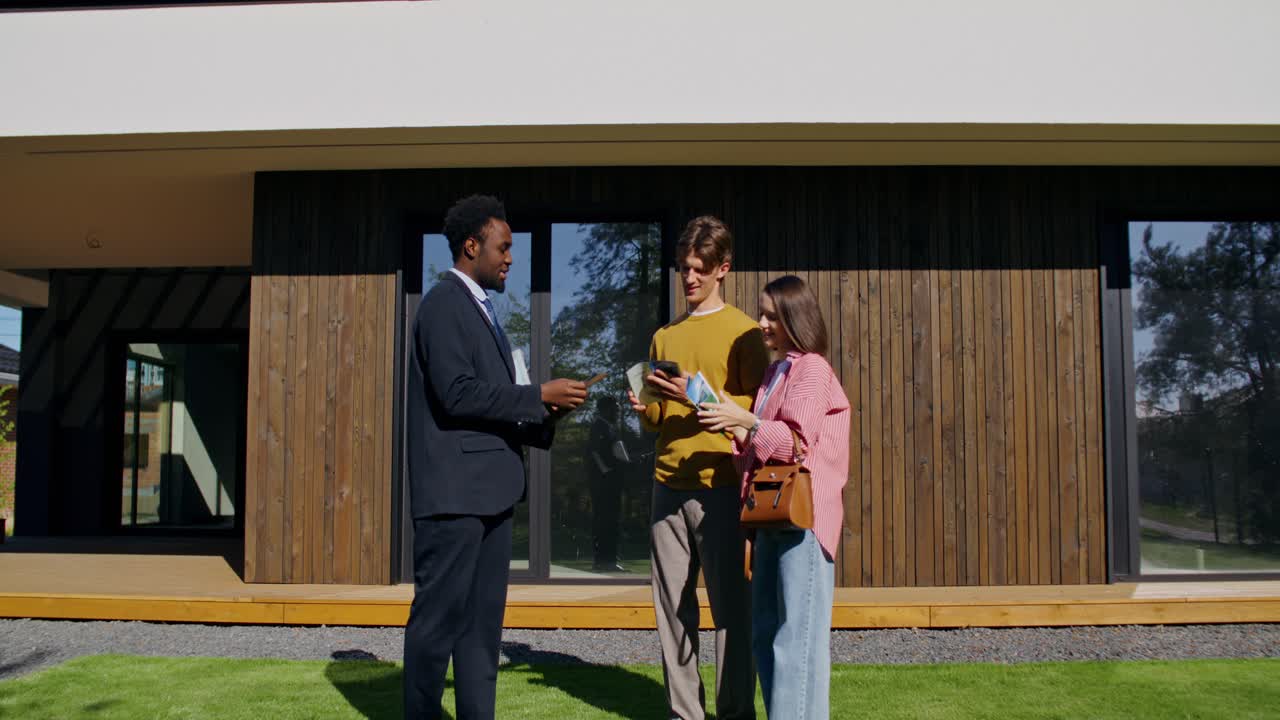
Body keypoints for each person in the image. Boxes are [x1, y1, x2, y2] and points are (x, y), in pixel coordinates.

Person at [404, 194, 589, 720]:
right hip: (454, 498)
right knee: (437, 627)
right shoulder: (443, 305)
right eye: (503, 248)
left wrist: (549, 412)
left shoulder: (483, 312)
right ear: (471, 246)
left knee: (482, 633)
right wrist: (537, 396)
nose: (510, 258)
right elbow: (456, 393)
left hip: (491, 495)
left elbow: (489, 402)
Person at [627, 216, 770, 720]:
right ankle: (683, 713)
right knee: (672, 613)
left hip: (724, 488)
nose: (688, 278)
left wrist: (694, 391)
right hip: (667, 486)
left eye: (698, 269)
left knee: (733, 614)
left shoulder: (748, 334)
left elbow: (755, 413)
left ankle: (735, 712)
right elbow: (661, 418)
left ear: (722, 269)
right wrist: (647, 410)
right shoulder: (665, 337)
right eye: (683, 268)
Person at [697, 275, 851, 720]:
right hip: (771, 518)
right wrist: (733, 425)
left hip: (804, 520)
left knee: (795, 641)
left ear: (793, 318)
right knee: (766, 634)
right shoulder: (775, 371)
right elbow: (762, 447)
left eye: (770, 315)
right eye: (762, 314)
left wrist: (745, 420)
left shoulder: (813, 369)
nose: (762, 323)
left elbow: (795, 443)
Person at [588, 395, 626, 573]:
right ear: (606, 409)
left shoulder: (610, 427)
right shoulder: (599, 426)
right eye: (615, 409)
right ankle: (603, 561)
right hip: (604, 484)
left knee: (612, 521)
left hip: (612, 481)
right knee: (605, 520)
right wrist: (606, 472)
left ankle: (610, 560)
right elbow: (594, 451)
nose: (618, 412)